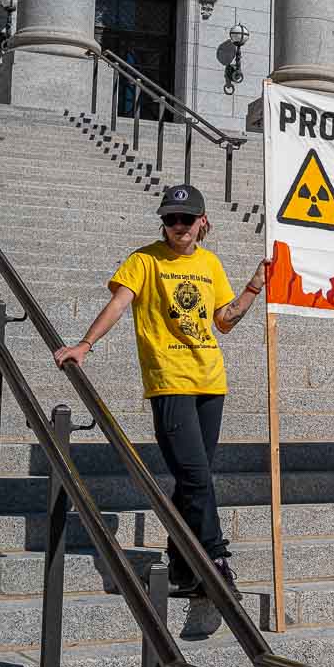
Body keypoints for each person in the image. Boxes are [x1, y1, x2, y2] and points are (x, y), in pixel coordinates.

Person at [52, 184, 268, 599]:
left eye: (186, 219)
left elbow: (223, 320)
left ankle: (184, 570)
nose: (178, 227)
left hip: (210, 379)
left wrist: (254, 286)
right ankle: (216, 560)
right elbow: (119, 303)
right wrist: (85, 343)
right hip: (169, 379)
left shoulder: (210, 263)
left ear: (203, 222)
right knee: (195, 475)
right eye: (171, 219)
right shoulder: (144, 260)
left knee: (194, 479)